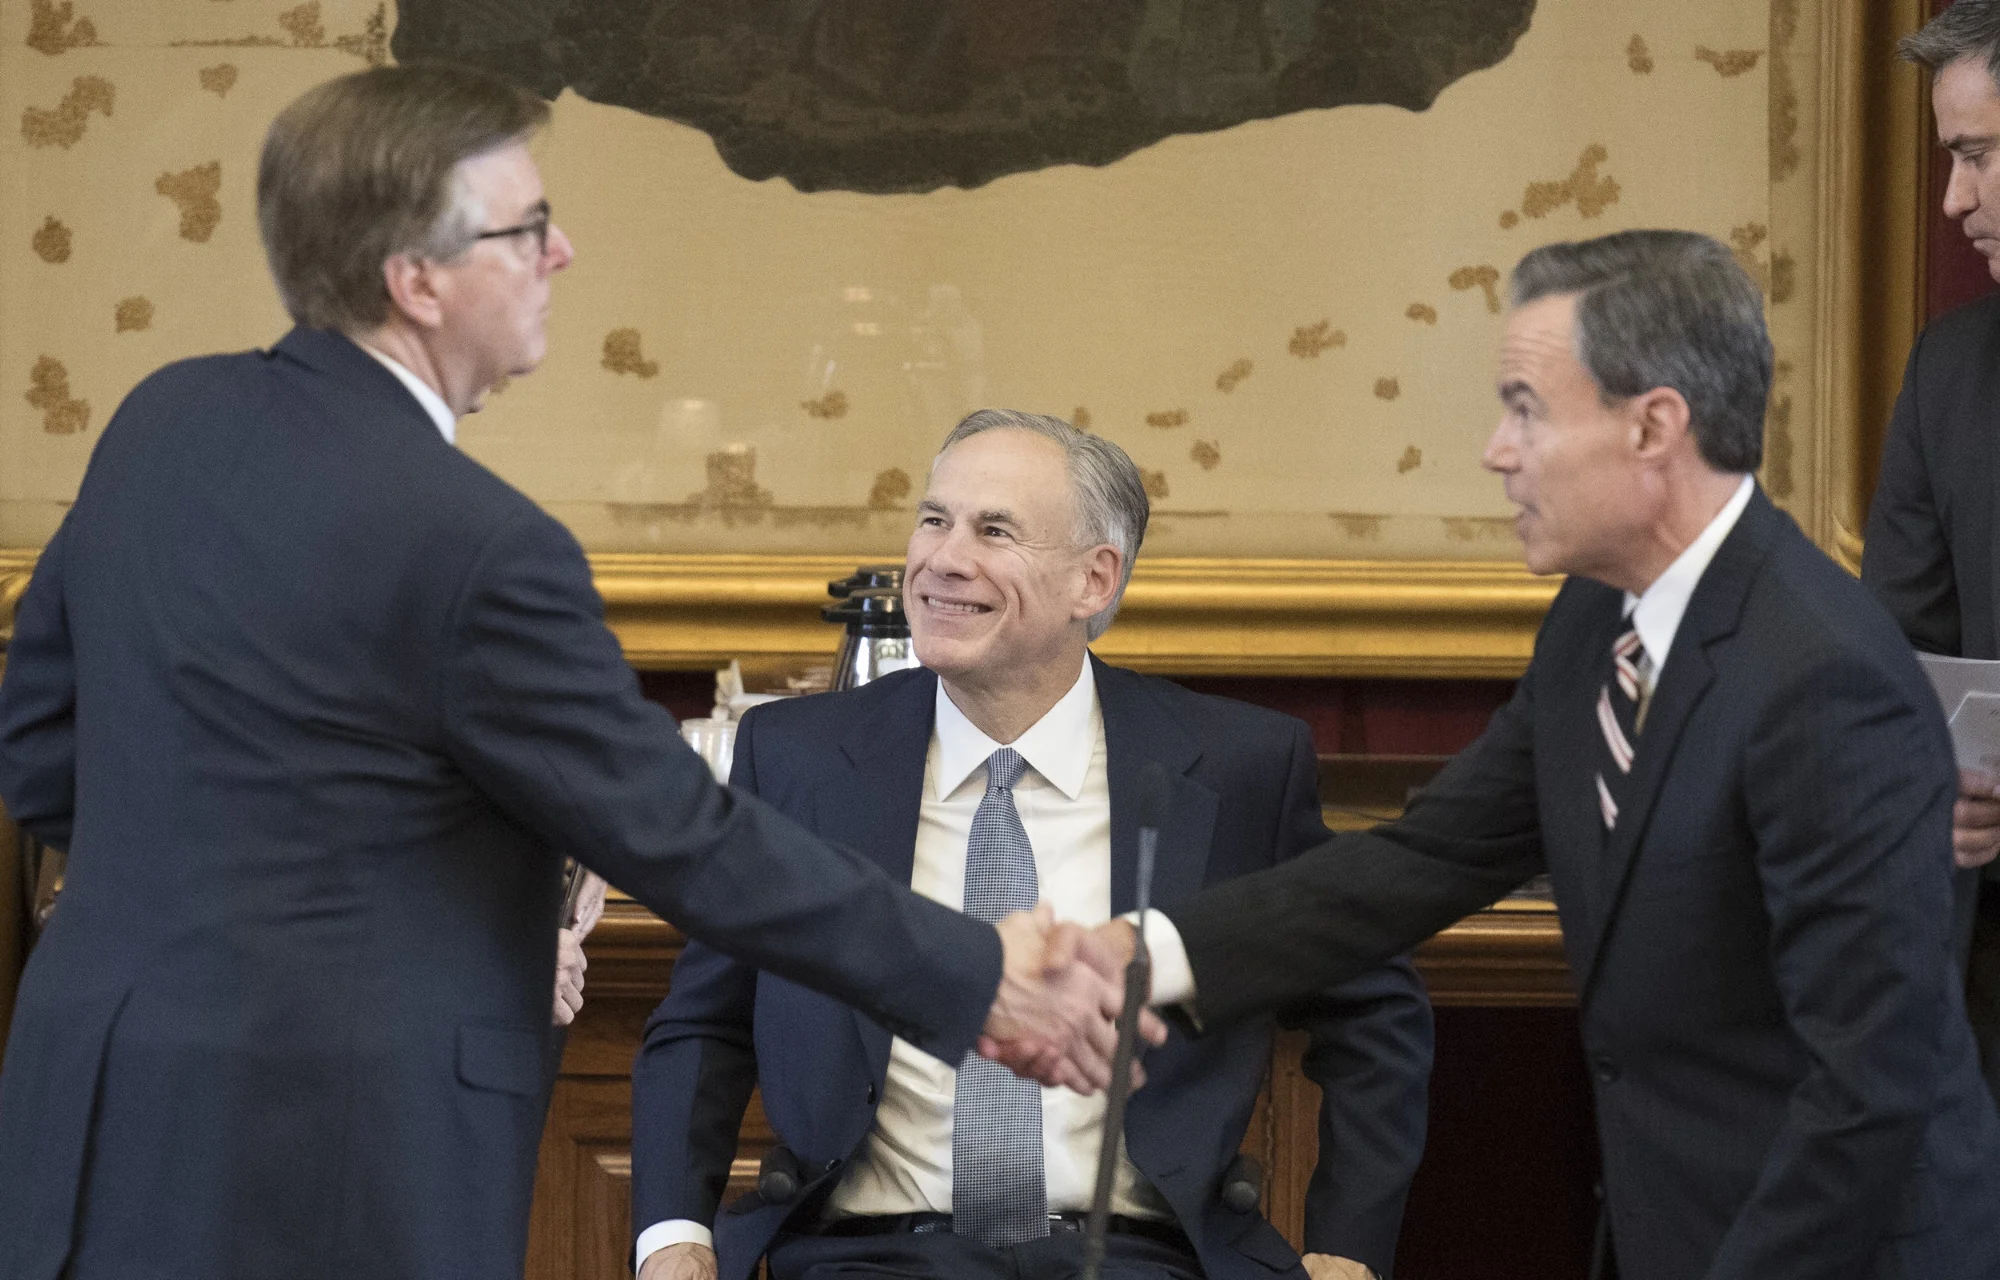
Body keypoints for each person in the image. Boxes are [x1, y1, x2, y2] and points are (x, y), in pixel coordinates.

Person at [0, 63, 1139, 1280]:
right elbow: (687, 836)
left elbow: (43, 741)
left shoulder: (164, 422)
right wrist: (981, 974)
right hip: (326, 1158)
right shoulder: (475, 542)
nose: (564, 253)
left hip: (90, 1117)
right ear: (418, 279)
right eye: (529, 228)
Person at [1067, 231, 2000, 1280]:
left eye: (1525, 408)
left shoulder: (1823, 678)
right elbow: (1427, 856)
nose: (1494, 451)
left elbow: (1865, 1089)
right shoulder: (1596, 616)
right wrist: (1139, 955)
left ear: (1652, 424)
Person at [629, 411, 1433, 1280]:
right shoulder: (798, 759)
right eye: (933, 519)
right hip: (861, 1255)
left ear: (1095, 580)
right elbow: (704, 1020)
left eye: (995, 531)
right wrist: (673, 1240)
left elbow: (1374, 1010)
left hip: (1138, 1256)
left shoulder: (1236, 768)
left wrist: (1345, 1248)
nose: (941, 558)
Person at [1861, 0, 2000, 1104]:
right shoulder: (1949, 370)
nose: (1952, 199)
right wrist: (1930, 776)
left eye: (1976, 155)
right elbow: (1900, 654)